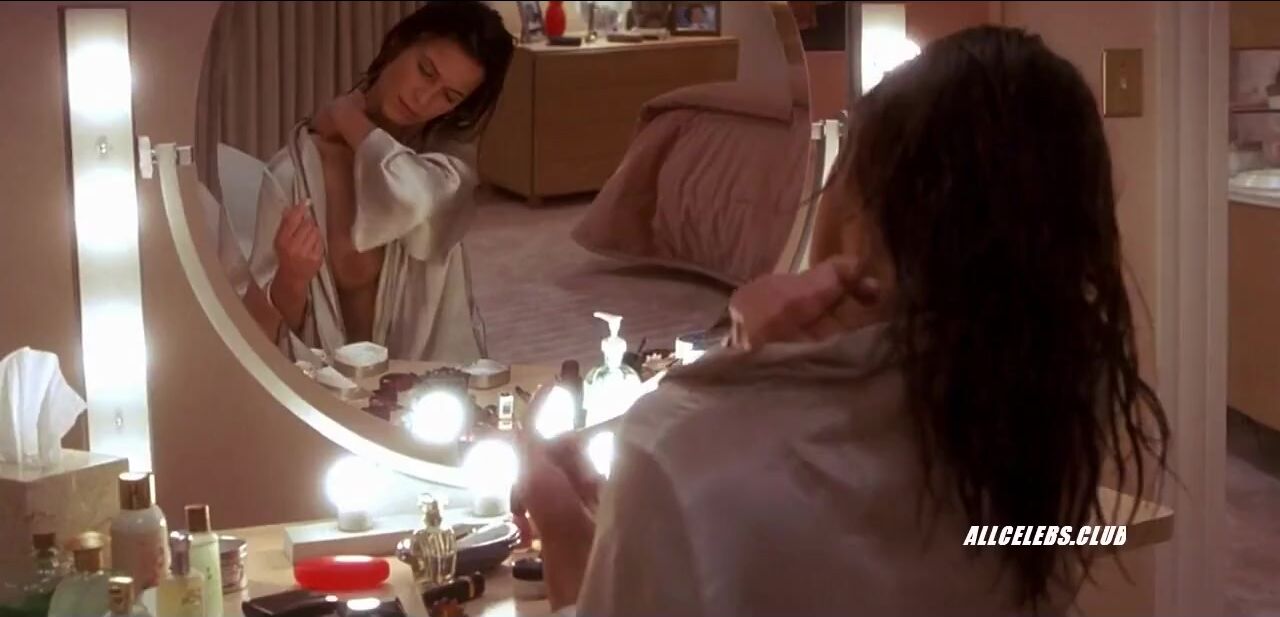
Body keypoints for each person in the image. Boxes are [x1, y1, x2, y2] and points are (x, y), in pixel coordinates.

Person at [517, 25, 1171, 616]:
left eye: (841, 164)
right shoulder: (1053, 398)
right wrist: (760, 370)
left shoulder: (678, 448)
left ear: (863, 212)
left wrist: (565, 530)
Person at [246, 1, 515, 362]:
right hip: (322, 389)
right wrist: (291, 279)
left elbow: (413, 197)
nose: (424, 98)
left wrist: (346, 116)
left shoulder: (445, 176)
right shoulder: (295, 172)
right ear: (398, 44)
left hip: (422, 387)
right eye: (426, 71)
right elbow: (258, 333)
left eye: (449, 96)